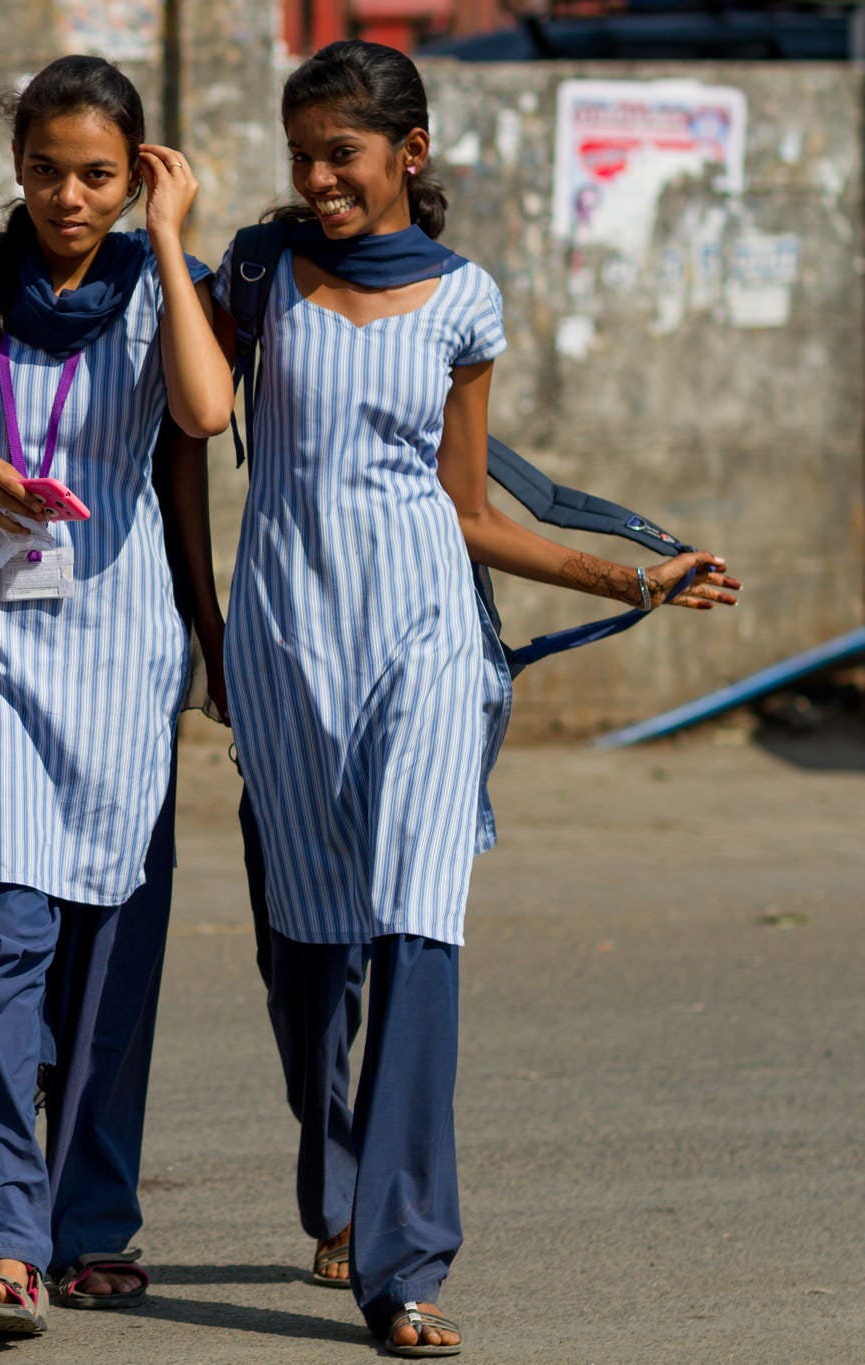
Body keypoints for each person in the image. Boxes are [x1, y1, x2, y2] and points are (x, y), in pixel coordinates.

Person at [214, 40, 740, 1358]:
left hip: (428, 654)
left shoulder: (465, 301)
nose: (319, 176)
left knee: (416, 929)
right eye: (302, 153)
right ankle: (333, 1182)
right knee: (306, 954)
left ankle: (405, 1262)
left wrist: (625, 574)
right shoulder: (261, 275)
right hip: (287, 651)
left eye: (342, 151)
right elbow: (185, 417)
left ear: (411, 153)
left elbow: (466, 508)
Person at [0, 55, 231, 1335]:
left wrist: (172, 236)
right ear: (14, 165)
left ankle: (89, 1220)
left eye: (95, 175)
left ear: (135, 171)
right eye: (45, 171)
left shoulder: (161, 288)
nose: (67, 199)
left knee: (103, 958)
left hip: (120, 662)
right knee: (0, 942)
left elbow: (202, 409)